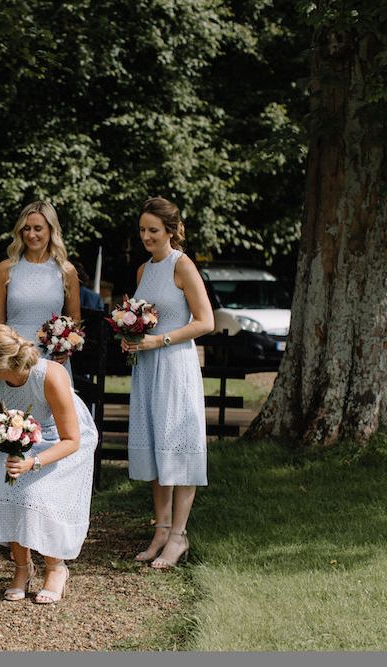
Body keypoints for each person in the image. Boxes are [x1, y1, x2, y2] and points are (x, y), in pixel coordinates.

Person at [0, 323, 98, 604]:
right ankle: (22, 569)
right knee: (10, 491)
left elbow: (72, 439)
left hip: (62, 440)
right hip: (20, 435)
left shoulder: (50, 375)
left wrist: (33, 463)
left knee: (36, 494)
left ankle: (56, 568)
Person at [123, 197, 214, 569]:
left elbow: (205, 321)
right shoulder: (144, 271)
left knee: (177, 443)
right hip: (146, 365)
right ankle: (160, 529)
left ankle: (179, 535)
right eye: (143, 230)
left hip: (174, 364)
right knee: (156, 443)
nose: (146, 236)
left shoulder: (183, 266)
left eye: (153, 230)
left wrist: (158, 340)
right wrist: (130, 335)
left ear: (171, 231)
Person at [0, 200, 80, 476]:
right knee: (15, 424)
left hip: (51, 359)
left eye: (38, 228)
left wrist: (67, 345)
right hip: (12, 357)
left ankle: (51, 477)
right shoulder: (6, 268)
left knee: (53, 423)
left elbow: (74, 321)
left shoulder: (66, 271)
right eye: (26, 229)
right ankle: (13, 476)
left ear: (51, 230)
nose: (31, 234)